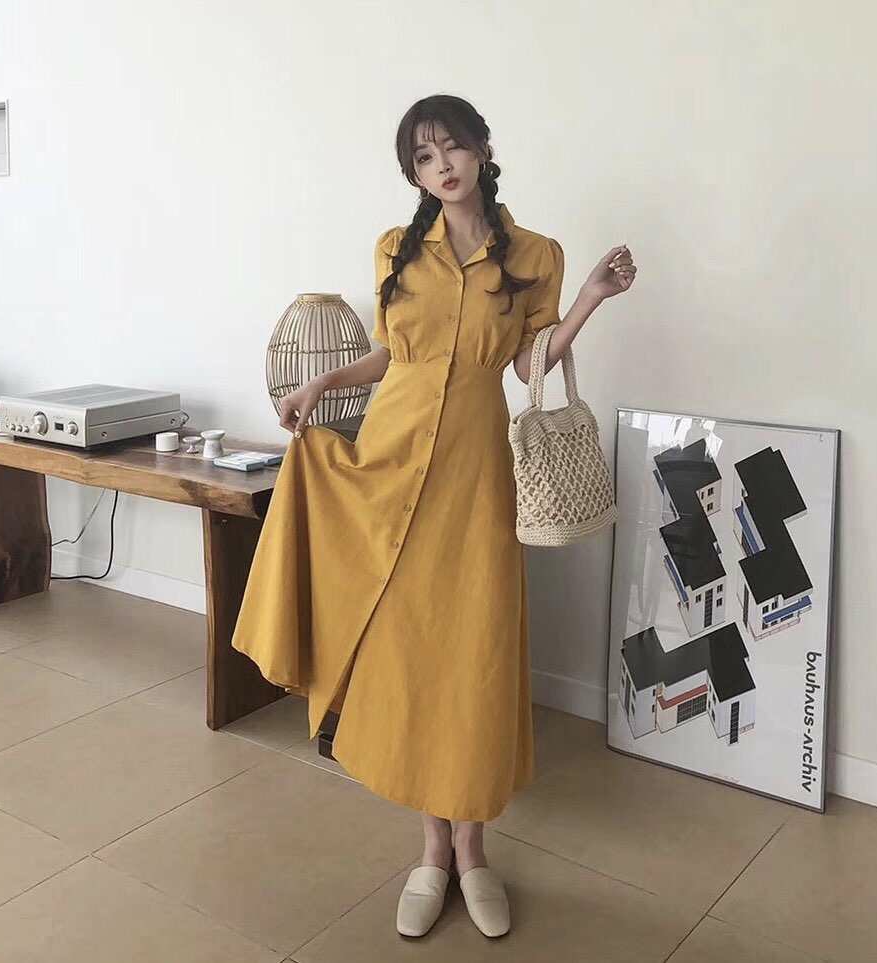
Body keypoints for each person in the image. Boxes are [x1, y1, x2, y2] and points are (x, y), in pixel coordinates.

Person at [230, 94, 636, 939]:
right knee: (411, 653)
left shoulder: (535, 254)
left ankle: (474, 852)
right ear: (414, 174)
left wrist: (591, 297)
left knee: (471, 657)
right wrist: (321, 382)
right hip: (388, 459)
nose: (441, 164)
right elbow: (391, 352)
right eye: (423, 156)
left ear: (484, 149)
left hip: (475, 477)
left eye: (452, 147)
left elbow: (528, 362)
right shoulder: (396, 247)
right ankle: (431, 850)